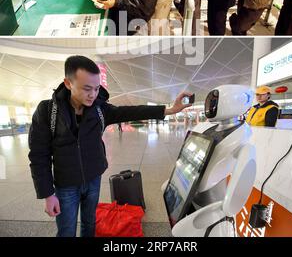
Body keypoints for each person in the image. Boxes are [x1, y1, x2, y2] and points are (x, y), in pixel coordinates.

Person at [28, 55, 193, 237]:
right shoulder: (47, 112)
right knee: (66, 230)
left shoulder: (100, 109)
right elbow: (38, 156)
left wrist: (168, 110)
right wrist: (47, 194)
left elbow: (130, 111)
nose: (93, 94)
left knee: (90, 223)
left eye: (97, 88)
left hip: (93, 179)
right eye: (87, 88)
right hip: (65, 185)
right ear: (68, 83)